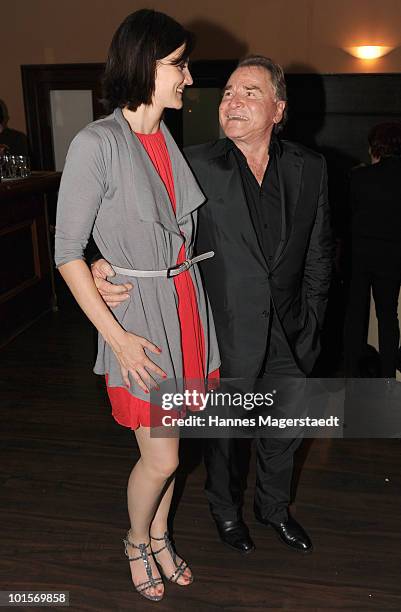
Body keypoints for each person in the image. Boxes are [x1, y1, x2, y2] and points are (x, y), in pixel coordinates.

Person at [92, 55, 332, 556]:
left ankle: (273, 508)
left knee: (284, 432)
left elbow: (319, 253)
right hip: (221, 333)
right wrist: (100, 261)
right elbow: (137, 222)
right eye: (227, 93)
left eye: (249, 92)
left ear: (278, 109)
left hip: (291, 331)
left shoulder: (311, 167)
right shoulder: (194, 163)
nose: (232, 101)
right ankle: (226, 512)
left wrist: (311, 322)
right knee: (224, 439)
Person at [54, 9, 220, 602]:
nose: (188, 78)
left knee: (169, 444)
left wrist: (109, 259)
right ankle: (134, 538)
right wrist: (118, 338)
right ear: (144, 65)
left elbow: (136, 230)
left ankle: (158, 534)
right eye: (178, 65)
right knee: (164, 457)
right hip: (139, 322)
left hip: (183, 308)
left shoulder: (163, 139)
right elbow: (67, 251)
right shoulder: (95, 142)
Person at [344, 122, 401, 379]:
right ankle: (388, 375)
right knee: (388, 317)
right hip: (393, 256)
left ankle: (353, 374)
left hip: (360, 255)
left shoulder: (359, 177)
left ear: (374, 147)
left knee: (355, 316)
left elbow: (345, 217)